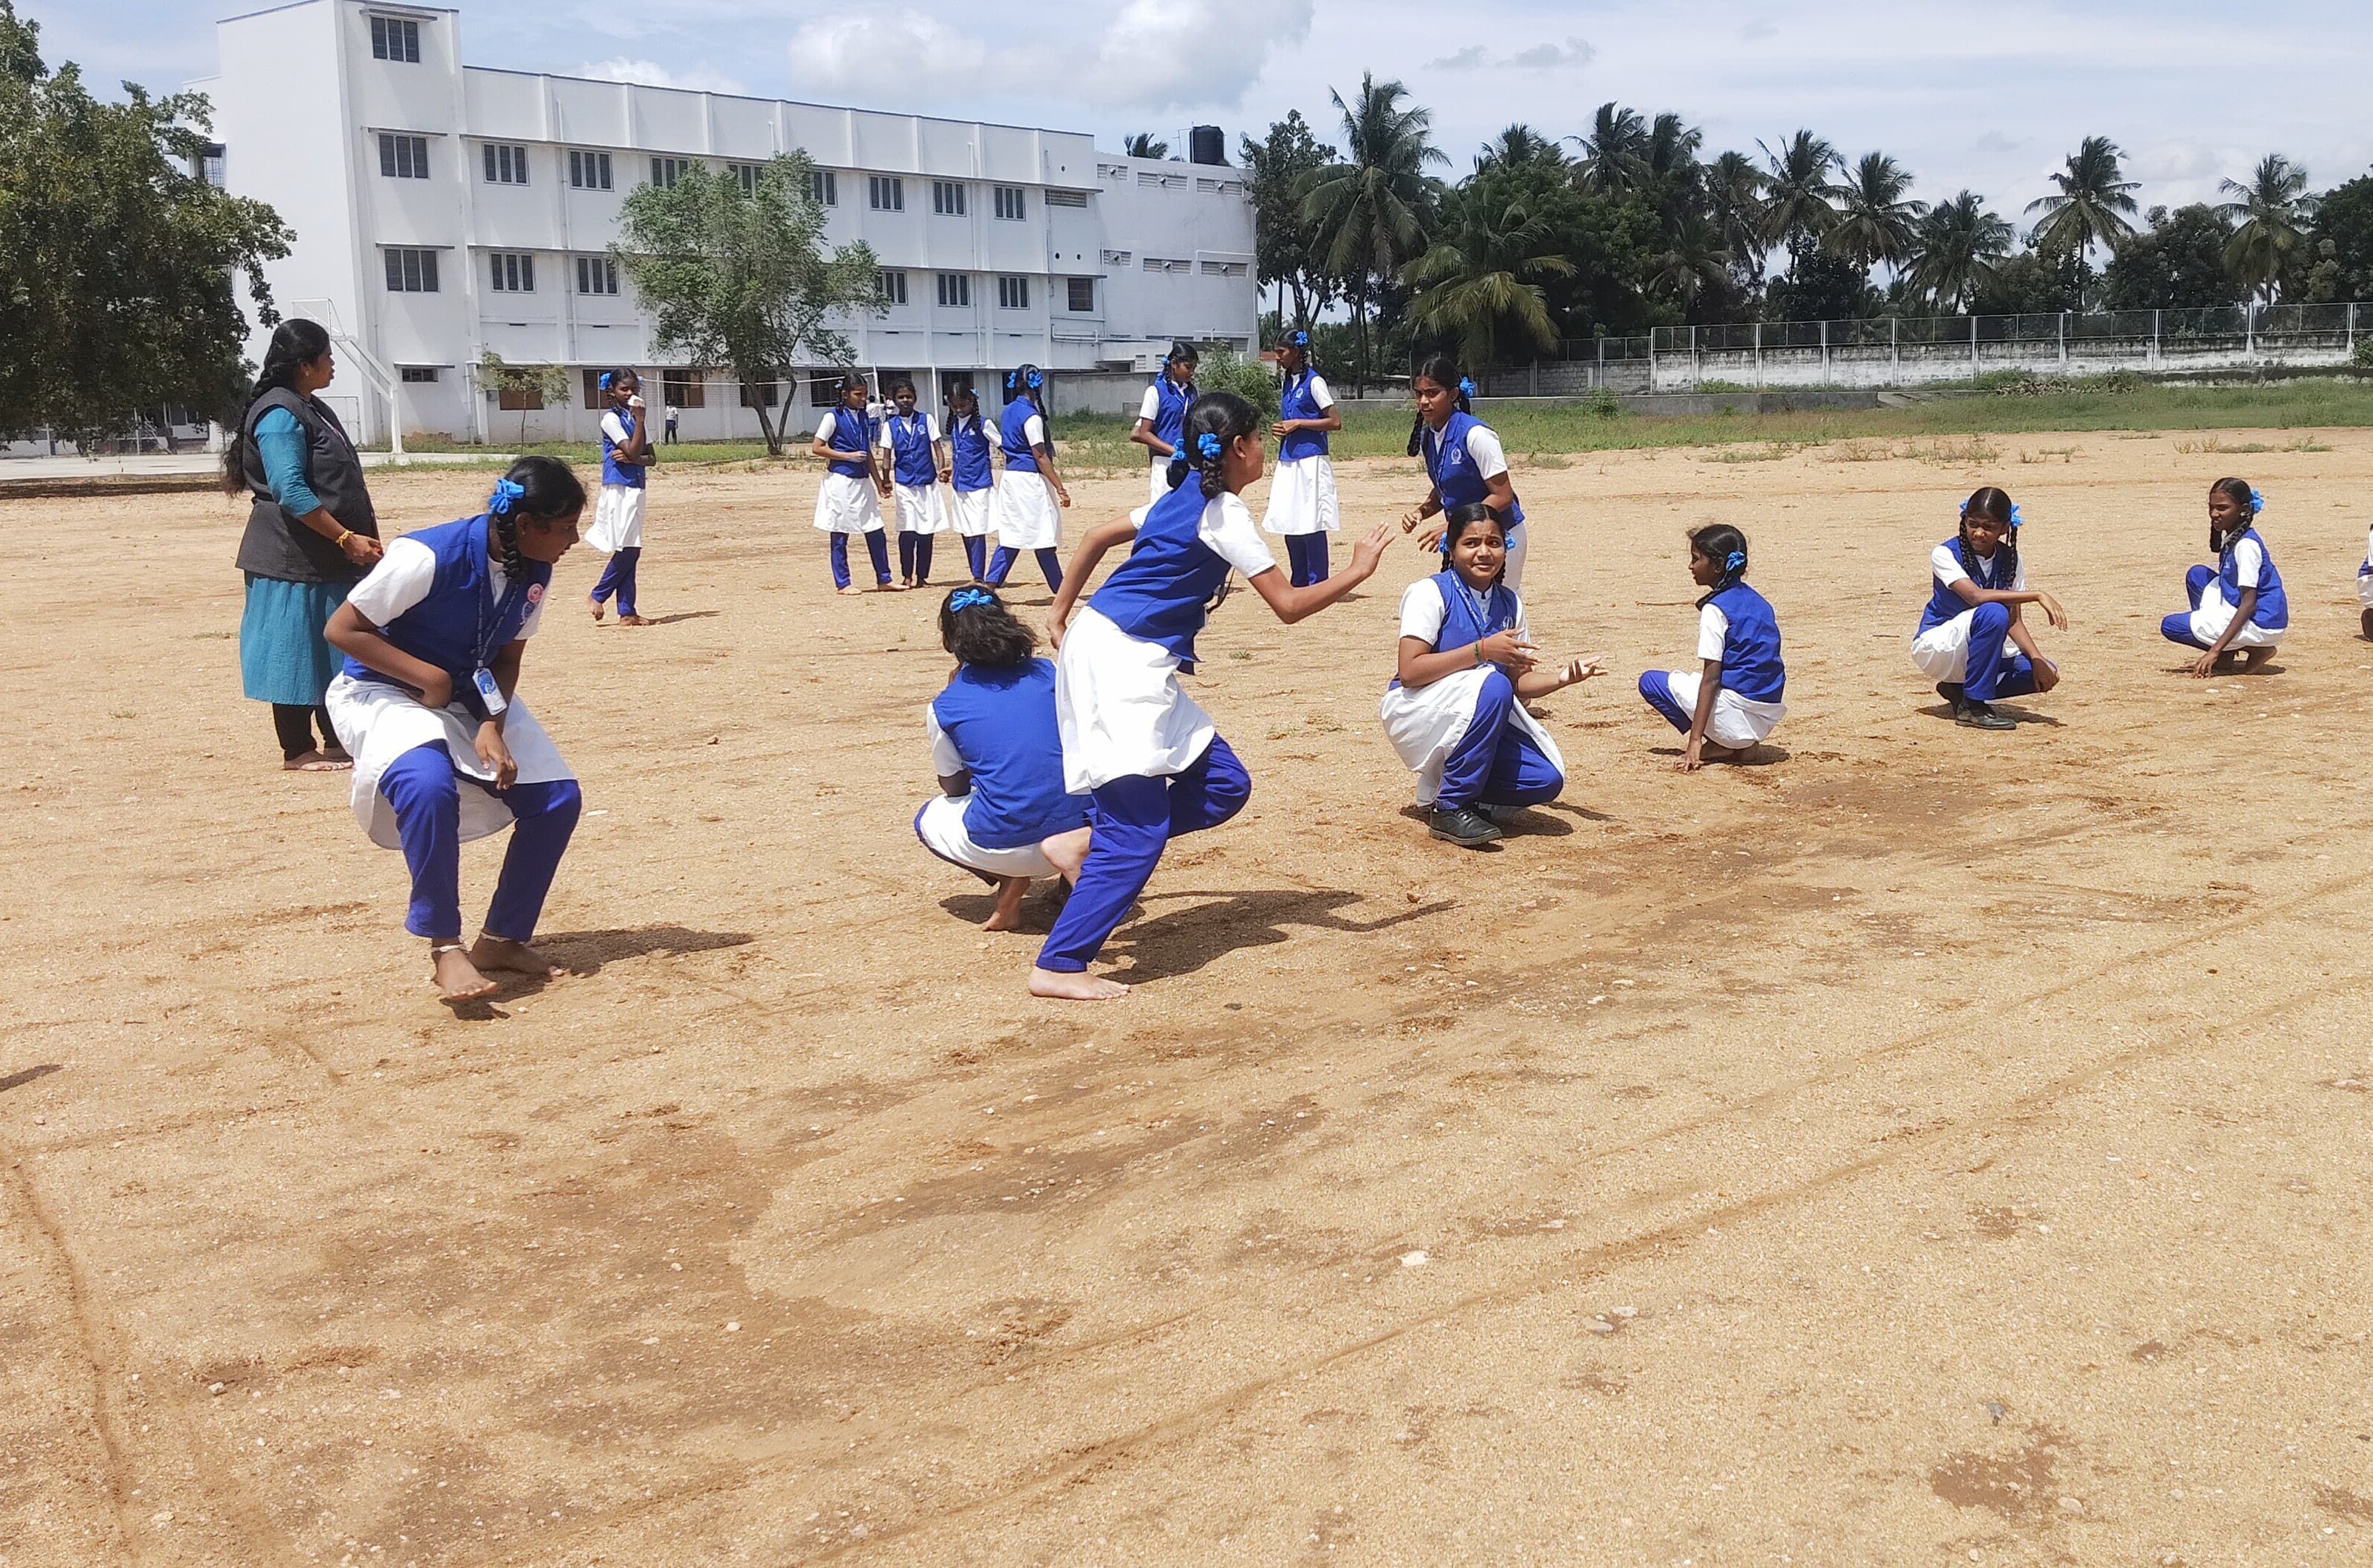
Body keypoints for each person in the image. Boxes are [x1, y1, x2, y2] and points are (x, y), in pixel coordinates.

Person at [1034, 392, 1394, 1000]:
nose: (1265, 451)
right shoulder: (1223, 512)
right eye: (1259, 441)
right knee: (1138, 833)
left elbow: (1097, 535)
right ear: (1237, 449)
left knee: (1226, 783)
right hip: (1122, 665)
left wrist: (1061, 613)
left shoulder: (1180, 499)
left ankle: (1083, 842)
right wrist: (1357, 571)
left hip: (1116, 651)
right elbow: (1287, 606)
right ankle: (1060, 962)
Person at [322, 459, 586, 1003]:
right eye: (563, 528)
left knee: (556, 799)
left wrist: (492, 723)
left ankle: (502, 938)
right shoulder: (424, 555)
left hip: (469, 696)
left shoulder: (534, 568)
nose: (574, 540)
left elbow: (509, 657)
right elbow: (342, 629)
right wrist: (430, 677)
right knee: (426, 783)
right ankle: (445, 946)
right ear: (525, 525)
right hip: (383, 691)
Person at [1382, 504, 1602, 847]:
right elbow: (1409, 672)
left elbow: (1518, 684)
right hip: (1417, 708)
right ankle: (1451, 806)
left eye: (1494, 542)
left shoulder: (1510, 603)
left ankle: (1455, 788)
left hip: (1476, 708)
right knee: (1492, 681)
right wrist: (1480, 652)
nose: (1484, 552)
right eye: (1471, 543)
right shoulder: (1430, 592)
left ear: (1505, 548)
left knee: (1545, 779)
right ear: (1450, 550)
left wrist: (1562, 678)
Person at [222, 318, 385, 771]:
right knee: (294, 649)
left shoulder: (310, 406)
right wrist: (346, 537)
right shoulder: (279, 414)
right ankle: (297, 748)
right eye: (326, 356)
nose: (332, 364)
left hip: (325, 555)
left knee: (331, 647)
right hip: (291, 554)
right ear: (304, 364)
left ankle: (336, 739)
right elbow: (290, 490)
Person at [916, 586, 1093, 930]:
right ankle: (1068, 889)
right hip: (1085, 828)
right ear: (1009, 624)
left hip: (1007, 842)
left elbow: (953, 786)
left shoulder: (945, 705)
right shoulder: (1050, 673)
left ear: (950, 641)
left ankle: (1010, 883)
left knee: (928, 818)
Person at [1911, 487, 2067, 729]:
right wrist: (2037, 595)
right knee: (1993, 611)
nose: (1979, 533)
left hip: (1973, 649)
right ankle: (1973, 707)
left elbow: (2014, 621)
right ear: (1964, 521)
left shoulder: (2011, 560)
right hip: (1939, 647)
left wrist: (2037, 658)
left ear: (2005, 528)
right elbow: (1975, 597)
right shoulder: (1944, 553)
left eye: (1990, 527)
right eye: (1973, 524)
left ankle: (1958, 690)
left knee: (2042, 673)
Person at [1639, 524, 1789, 767]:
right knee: (1698, 681)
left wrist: (1694, 742)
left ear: (1717, 566)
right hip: (1765, 716)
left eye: (1696, 559)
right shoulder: (1760, 602)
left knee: (1650, 681)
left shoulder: (1716, 609)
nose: (1691, 566)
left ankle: (1721, 744)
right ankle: (1740, 745)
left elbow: (1711, 678)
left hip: (1736, 716)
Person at [1399, 355, 1531, 592]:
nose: (1424, 401)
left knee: (1502, 607)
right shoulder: (1430, 437)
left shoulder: (1476, 434)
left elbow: (1502, 496)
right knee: (1468, 606)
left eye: (1432, 393)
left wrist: (1453, 526)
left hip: (1500, 535)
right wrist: (1421, 512)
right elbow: (1447, 487)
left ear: (1452, 394)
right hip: (1468, 538)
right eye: (1419, 394)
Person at [2162, 478, 2287, 677]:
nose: (2214, 514)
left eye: (2222, 508)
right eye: (2211, 507)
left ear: (2243, 509)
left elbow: (2249, 603)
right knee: (2197, 575)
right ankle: (2227, 655)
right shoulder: (2234, 539)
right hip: (2249, 611)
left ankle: (2257, 650)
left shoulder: (2246, 546)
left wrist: (2214, 650)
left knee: (2170, 626)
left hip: (2262, 622)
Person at [1263, 329, 1342, 586]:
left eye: (1281, 352)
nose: (1277, 357)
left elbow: (1334, 421)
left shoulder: (1314, 382)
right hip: (1289, 458)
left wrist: (1299, 423)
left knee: (1311, 519)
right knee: (1290, 517)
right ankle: (1298, 579)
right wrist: (1283, 428)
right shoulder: (1288, 381)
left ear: (1296, 352)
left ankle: (1318, 580)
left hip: (1311, 459)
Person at [986, 365, 1072, 593]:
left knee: (1011, 534)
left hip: (1011, 478)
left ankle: (990, 584)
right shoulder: (1031, 416)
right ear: (1037, 385)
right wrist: (1060, 487)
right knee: (1042, 535)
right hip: (1029, 481)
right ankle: (1061, 590)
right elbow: (1040, 455)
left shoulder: (1008, 411)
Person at [810, 372, 894, 595]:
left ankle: (884, 578)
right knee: (840, 531)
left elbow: (866, 451)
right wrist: (845, 456)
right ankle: (843, 583)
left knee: (876, 528)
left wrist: (879, 482)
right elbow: (817, 447)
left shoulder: (864, 416)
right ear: (845, 394)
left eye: (865, 395)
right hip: (840, 481)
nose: (862, 399)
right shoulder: (832, 417)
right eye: (858, 394)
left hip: (862, 480)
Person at [585, 369, 652, 626]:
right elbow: (633, 450)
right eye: (625, 389)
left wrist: (636, 456)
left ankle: (627, 612)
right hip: (619, 489)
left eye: (634, 389)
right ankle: (597, 594)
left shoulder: (636, 420)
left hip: (636, 487)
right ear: (612, 391)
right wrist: (638, 428)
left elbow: (649, 457)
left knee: (629, 547)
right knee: (630, 549)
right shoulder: (611, 420)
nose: (631, 394)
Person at [876, 378, 951, 589]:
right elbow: (886, 456)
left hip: (927, 483)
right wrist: (885, 479)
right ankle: (906, 575)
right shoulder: (890, 426)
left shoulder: (926, 420)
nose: (905, 400)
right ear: (894, 401)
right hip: (905, 484)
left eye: (909, 397)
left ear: (915, 398)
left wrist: (941, 469)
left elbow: (937, 448)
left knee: (927, 531)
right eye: (901, 397)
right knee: (907, 530)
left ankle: (922, 576)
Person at [1130, 340, 1199, 504]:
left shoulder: (1191, 392)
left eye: (1194, 368)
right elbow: (1143, 433)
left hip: (1189, 462)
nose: (1192, 373)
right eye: (1188, 367)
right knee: (1163, 509)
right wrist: (1173, 450)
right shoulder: (1155, 392)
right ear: (1174, 364)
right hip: (1164, 463)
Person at [945, 384, 998, 583]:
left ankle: (978, 574)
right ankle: (974, 571)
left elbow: (1002, 446)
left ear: (972, 401)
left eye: (963, 405)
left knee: (977, 531)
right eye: (955, 406)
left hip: (978, 485)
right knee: (965, 530)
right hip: (960, 485)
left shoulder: (984, 424)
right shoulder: (953, 426)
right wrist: (951, 469)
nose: (959, 410)